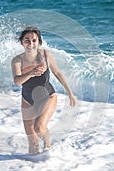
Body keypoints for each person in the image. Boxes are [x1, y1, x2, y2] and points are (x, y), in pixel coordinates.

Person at [11, 26, 76, 154]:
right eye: (27, 40)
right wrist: (31, 73)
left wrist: (70, 93)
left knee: (39, 127)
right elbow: (17, 80)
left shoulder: (45, 55)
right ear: (22, 42)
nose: (31, 44)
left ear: (39, 42)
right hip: (27, 100)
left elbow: (58, 73)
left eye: (34, 40)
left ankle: (48, 147)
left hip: (48, 96)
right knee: (32, 143)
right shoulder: (17, 60)